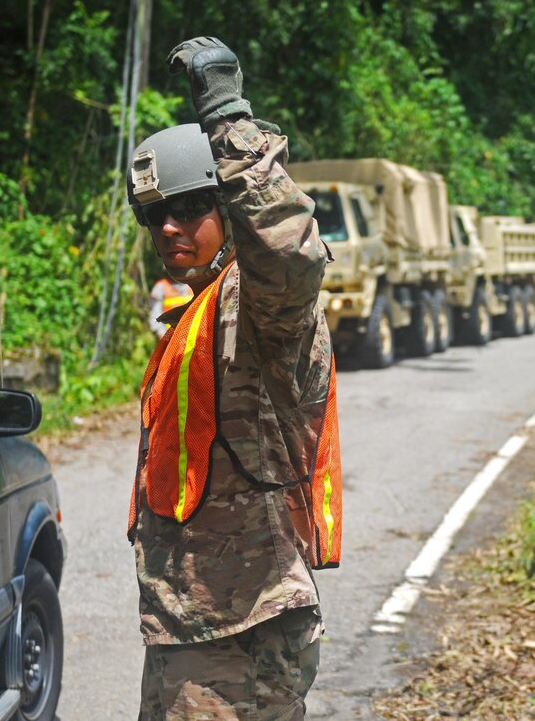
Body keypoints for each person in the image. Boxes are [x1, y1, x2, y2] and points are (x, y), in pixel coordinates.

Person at [125, 36, 341, 720]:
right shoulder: (189, 313)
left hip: (240, 636)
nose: (170, 228)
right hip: (186, 630)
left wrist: (227, 114)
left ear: (229, 209)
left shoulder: (259, 307)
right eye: (156, 215)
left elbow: (289, 250)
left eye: (189, 208)